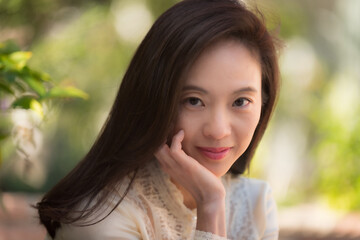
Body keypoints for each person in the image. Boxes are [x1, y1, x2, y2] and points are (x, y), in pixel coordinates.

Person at [36, 0, 281, 239]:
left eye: (240, 102)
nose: (217, 130)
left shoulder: (255, 205)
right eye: (193, 100)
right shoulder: (102, 218)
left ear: (264, 101)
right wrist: (210, 205)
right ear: (154, 99)